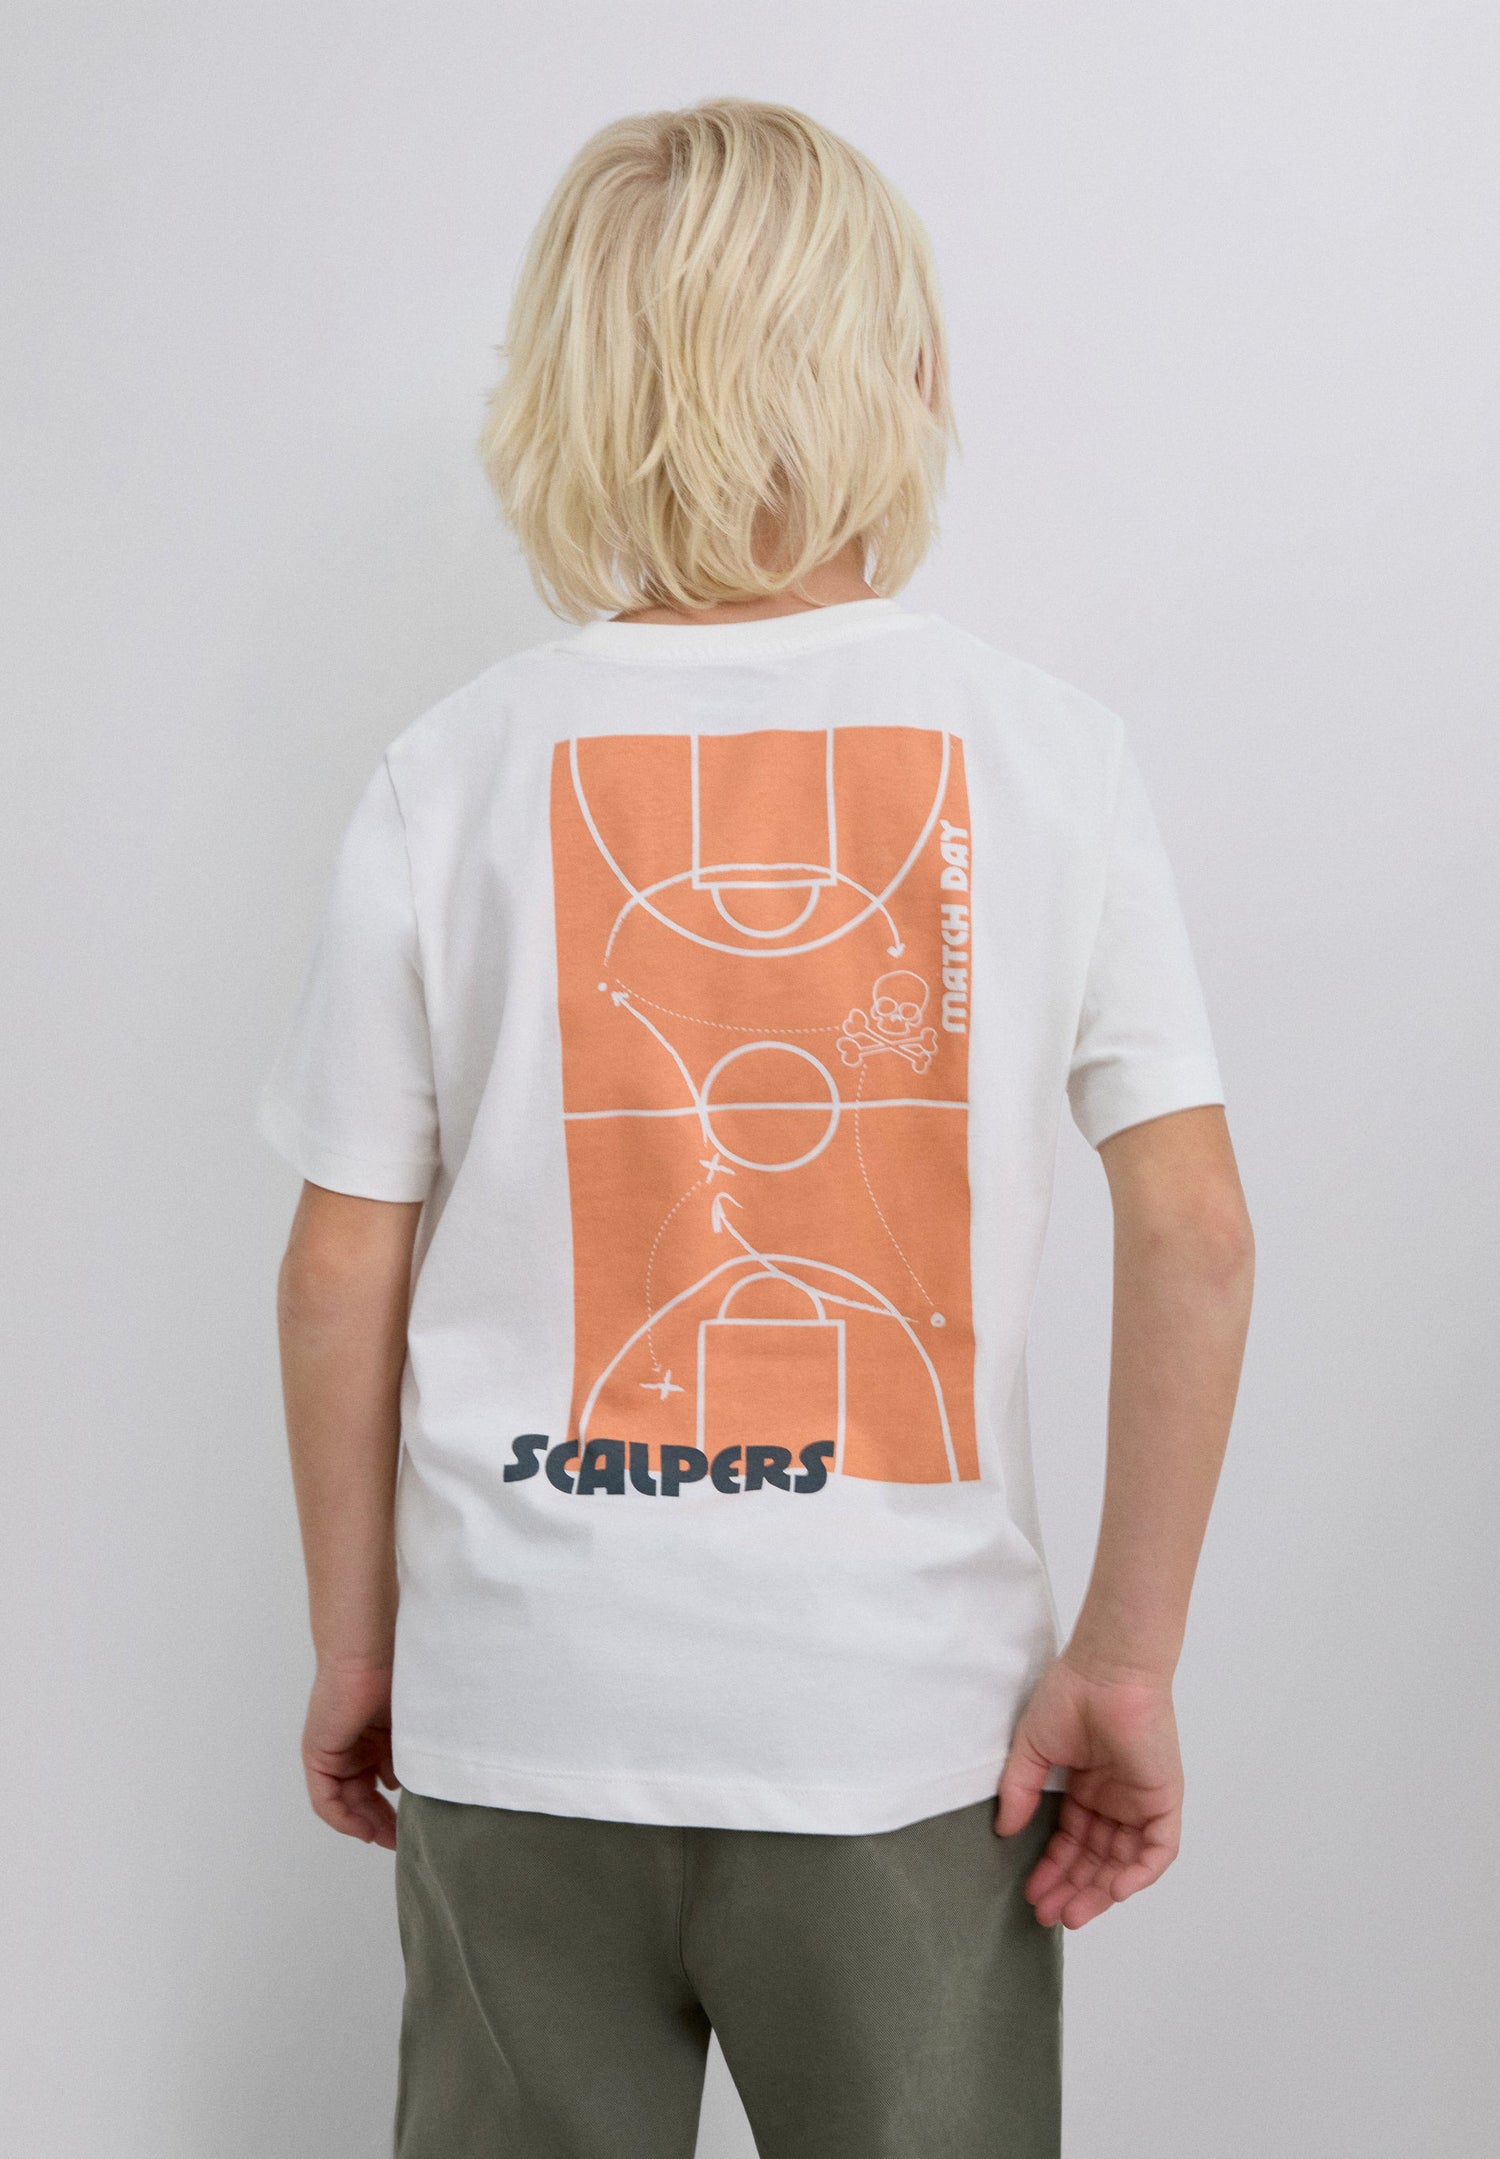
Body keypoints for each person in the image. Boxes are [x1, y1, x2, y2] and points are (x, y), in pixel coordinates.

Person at [261, 98, 1254, 2159]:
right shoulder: (1046, 757)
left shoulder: (451, 772)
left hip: (523, 1710)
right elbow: (1197, 1234)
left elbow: (341, 1263)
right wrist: (1127, 1660)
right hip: (902, 1728)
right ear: (918, 374)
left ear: (570, 392)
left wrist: (361, 1645)